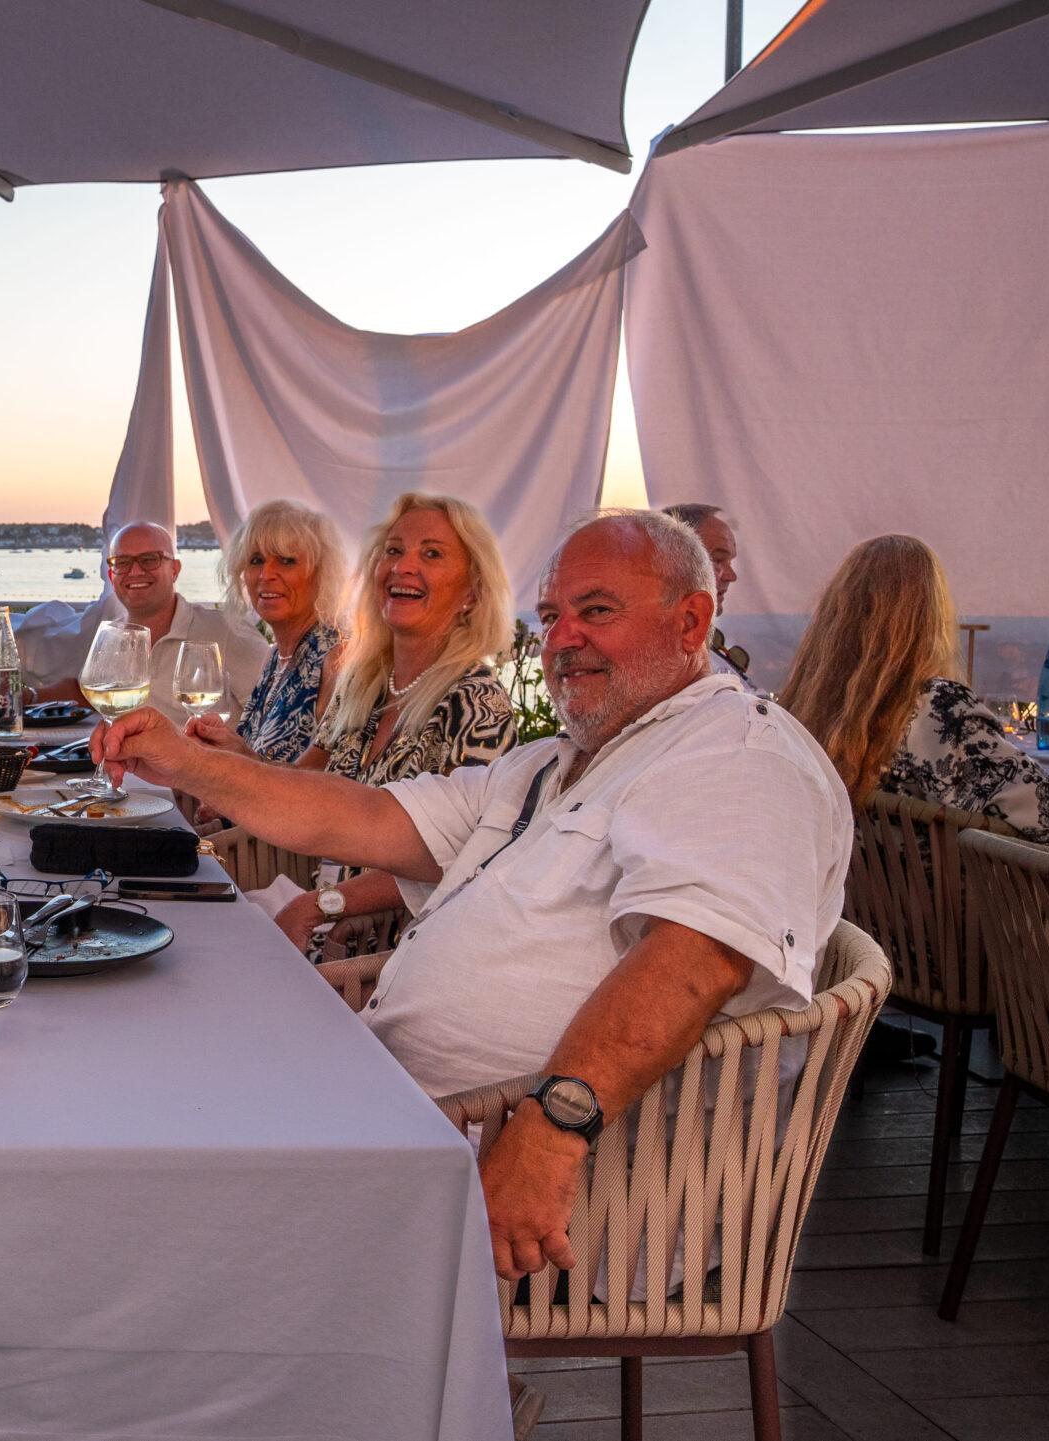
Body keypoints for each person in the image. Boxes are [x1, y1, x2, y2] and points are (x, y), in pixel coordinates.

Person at [93, 510, 849, 1281]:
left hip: (572, 1183)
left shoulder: (737, 755)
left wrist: (551, 1132)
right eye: (551, 616)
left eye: (597, 610)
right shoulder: (555, 763)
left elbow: (699, 961)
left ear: (692, 620)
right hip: (413, 1115)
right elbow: (364, 814)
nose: (561, 639)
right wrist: (185, 764)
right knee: (141, 1083)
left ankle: (373, 1383)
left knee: (160, 1178)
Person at [198, 494, 516, 951]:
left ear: (472, 592)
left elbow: (466, 855)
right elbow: (307, 778)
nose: (404, 565)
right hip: (312, 906)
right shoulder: (363, 681)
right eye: (393, 550)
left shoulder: (478, 704)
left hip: (388, 946)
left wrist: (325, 903)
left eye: (431, 553)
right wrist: (230, 767)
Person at [783, 533, 1049, 869]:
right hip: (965, 937)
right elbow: (1046, 808)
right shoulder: (934, 708)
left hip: (865, 929)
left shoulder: (805, 710)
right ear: (929, 616)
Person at [23, 521, 270, 716]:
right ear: (111, 575)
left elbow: (271, 712)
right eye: (123, 562)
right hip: (132, 777)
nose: (136, 571)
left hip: (199, 778)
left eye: (149, 559)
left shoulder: (225, 631)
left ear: (174, 569)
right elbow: (84, 691)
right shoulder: (114, 636)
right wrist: (28, 697)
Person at [218, 499, 348, 764]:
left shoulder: (336, 659)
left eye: (286, 561)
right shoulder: (274, 656)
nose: (266, 574)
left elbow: (327, 780)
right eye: (256, 560)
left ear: (321, 573)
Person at [661, 503, 750, 685]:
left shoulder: (706, 651)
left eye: (729, 561)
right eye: (718, 560)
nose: (731, 576)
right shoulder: (658, 661)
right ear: (671, 562)